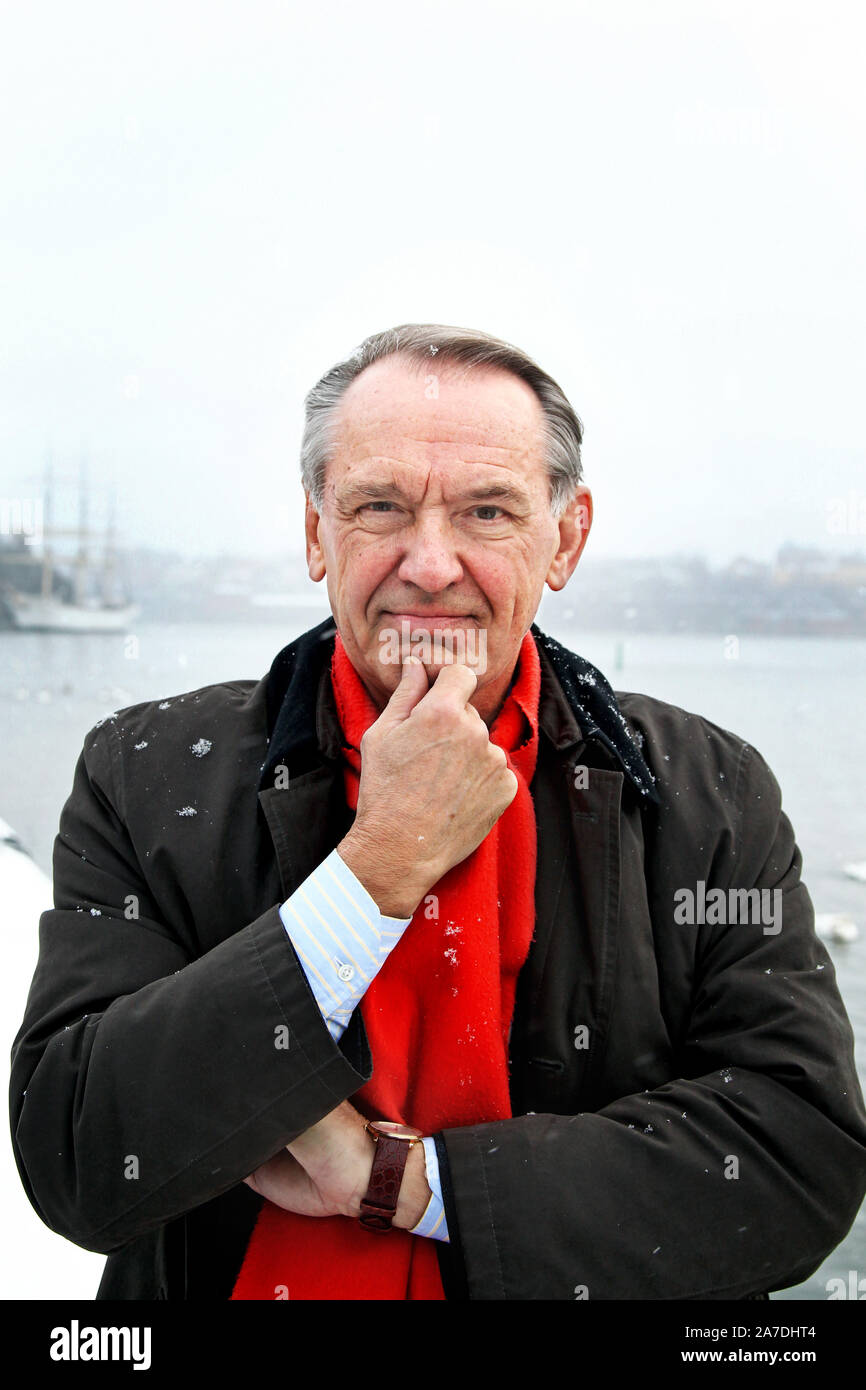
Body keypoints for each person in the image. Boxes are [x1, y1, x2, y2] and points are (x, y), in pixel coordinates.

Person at [10, 324, 866, 1301]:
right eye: (379, 506)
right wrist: (375, 869)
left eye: (486, 512)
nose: (429, 562)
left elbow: (798, 1154)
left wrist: (409, 1185)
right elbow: (78, 1158)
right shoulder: (149, 773)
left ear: (565, 540)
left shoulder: (706, 793)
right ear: (313, 533)